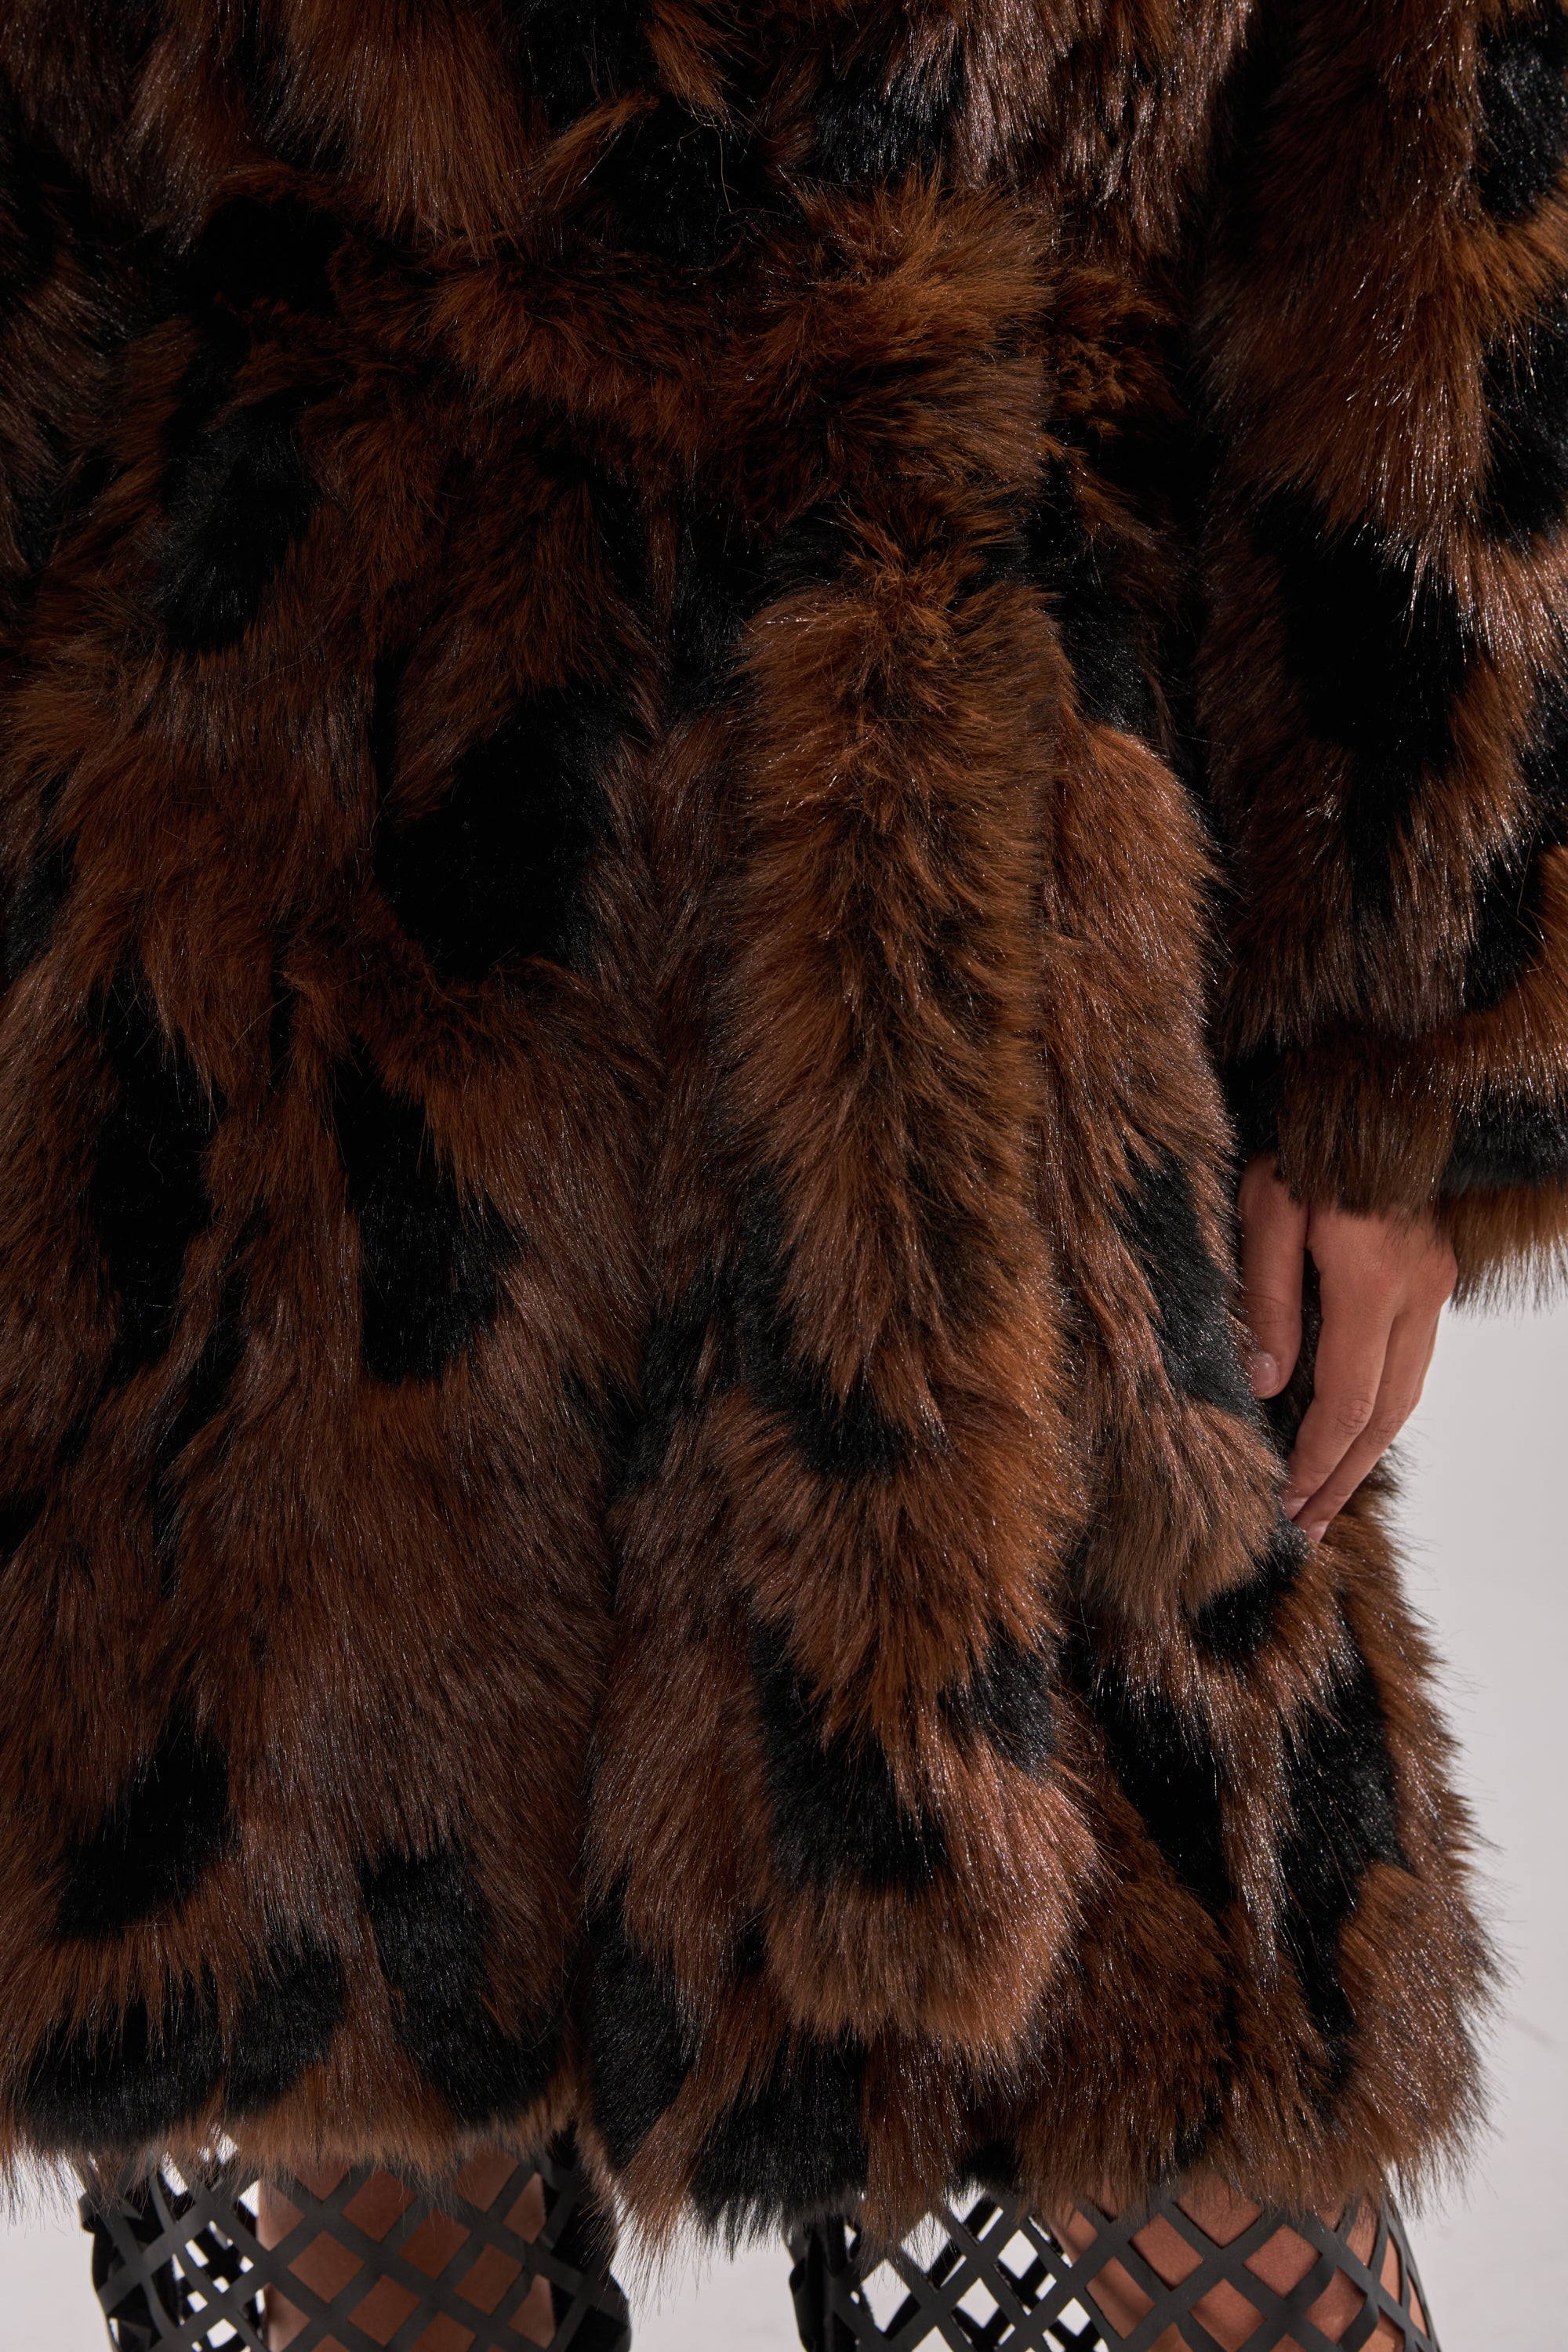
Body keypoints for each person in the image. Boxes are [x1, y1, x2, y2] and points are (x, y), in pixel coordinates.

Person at [2, 2, 1563, 2347]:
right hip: (326, 906)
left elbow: (1439, 166)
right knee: (376, 2153)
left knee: (1178, 2124)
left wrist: (1404, 1061)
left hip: (969, 955)